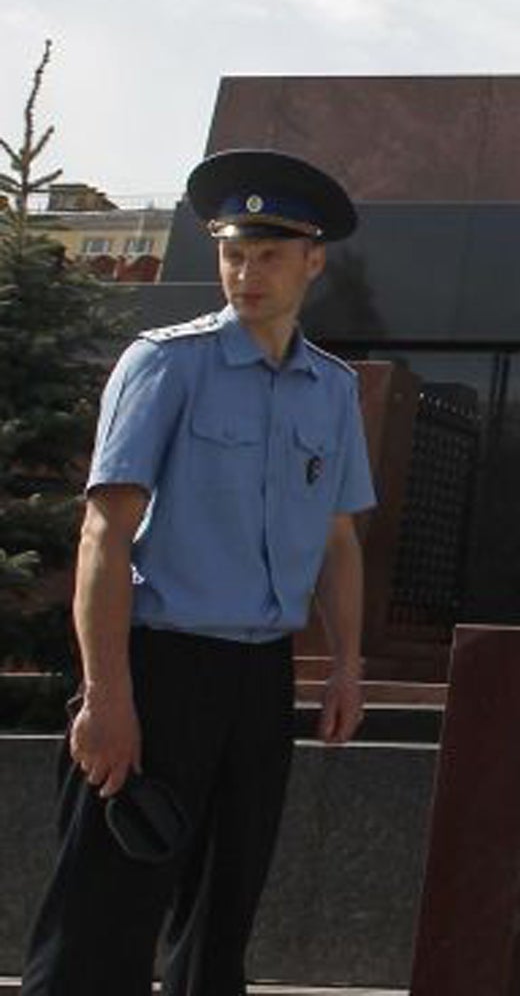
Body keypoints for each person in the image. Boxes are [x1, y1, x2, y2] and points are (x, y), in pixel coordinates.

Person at [23, 149, 378, 995]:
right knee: (102, 916)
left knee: (223, 917)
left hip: (259, 678)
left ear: (313, 260)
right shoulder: (166, 363)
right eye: (232, 253)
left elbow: (337, 541)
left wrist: (346, 667)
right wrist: (108, 695)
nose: (246, 273)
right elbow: (105, 533)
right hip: (160, 662)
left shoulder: (330, 391)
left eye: (269, 254)